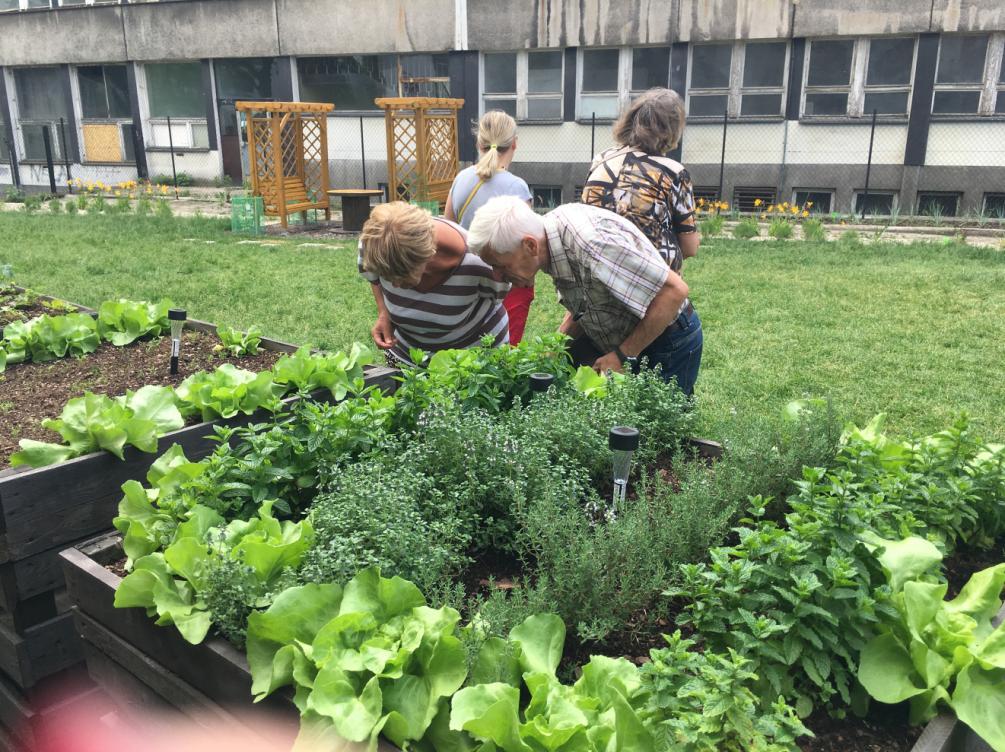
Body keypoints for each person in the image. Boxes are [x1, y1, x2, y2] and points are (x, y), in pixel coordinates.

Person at [466, 196, 695, 393]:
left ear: (530, 246)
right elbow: (587, 300)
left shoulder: (592, 243)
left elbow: (674, 292)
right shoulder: (551, 237)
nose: (497, 276)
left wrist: (623, 356)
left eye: (501, 265)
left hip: (668, 337)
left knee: (660, 435)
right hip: (621, 334)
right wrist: (555, 346)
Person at [580, 88, 703, 396]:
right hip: (651, 300)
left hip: (601, 299)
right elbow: (690, 247)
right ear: (672, 129)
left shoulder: (601, 162)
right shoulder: (673, 172)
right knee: (666, 408)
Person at [358, 201, 510, 366]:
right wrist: (384, 313)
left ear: (428, 255)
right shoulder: (373, 243)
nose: (394, 285)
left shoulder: (479, 262)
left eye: (401, 277)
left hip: (471, 360)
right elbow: (373, 278)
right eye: (386, 276)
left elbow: (498, 298)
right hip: (406, 353)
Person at [444, 110, 535, 344]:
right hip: (505, 283)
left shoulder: (460, 179)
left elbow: (449, 228)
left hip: (466, 279)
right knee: (504, 353)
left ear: (478, 142)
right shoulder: (517, 187)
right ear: (514, 143)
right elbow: (526, 247)